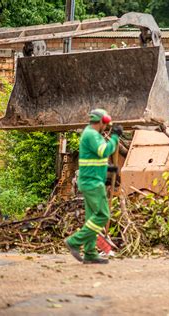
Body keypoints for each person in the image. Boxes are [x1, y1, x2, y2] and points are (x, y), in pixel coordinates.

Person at [65, 109, 123, 264]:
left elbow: (94, 159)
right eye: (106, 125)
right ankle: (74, 241)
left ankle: (90, 252)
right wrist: (115, 137)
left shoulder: (92, 135)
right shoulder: (91, 134)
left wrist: (108, 169)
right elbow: (104, 151)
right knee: (103, 215)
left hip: (92, 179)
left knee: (91, 219)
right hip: (92, 182)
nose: (106, 128)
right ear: (102, 122)